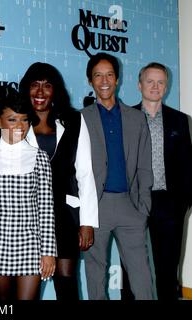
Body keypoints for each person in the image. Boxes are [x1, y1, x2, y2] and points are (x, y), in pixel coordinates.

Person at [19, 62, 98, 300]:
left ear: (56, 91)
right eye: (34, 85)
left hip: (65, 216)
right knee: (28, 284)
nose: (40, 92)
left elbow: (84, 172)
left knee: (67, 284)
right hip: (27, 216)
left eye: (47, 86)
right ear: (26, 89)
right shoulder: (16, 121)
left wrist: (87, 223)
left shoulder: (74, 120)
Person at [80, 52, 154, 300]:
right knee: (95, 274)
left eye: (109, 74)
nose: (104, 80)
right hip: (95, 207)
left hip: (129, 204)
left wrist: (143, 206)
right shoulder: (80, 118)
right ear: (90, 81)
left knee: (142, 275)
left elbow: (144, 166)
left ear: (117, 79)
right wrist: (83, 212)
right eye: (97, 75)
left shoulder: (136, 118)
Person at [120, 62, 192, 300]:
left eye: (161, 82)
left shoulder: (180, 121)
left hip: (168, 204)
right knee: (132, 267)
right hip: (133, 203)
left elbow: (186, 164)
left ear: (166, 86)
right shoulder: (123, 118)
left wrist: (183, 203)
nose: (155, 86)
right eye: (150, 81)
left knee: (168, 268)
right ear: (139, 85)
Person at [0, 85, 56, 300]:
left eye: (24, 119)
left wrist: (48, 251)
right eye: (12, 119)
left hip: (31, 243)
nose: (20, 125)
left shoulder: (39, 157)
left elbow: (46, 208)